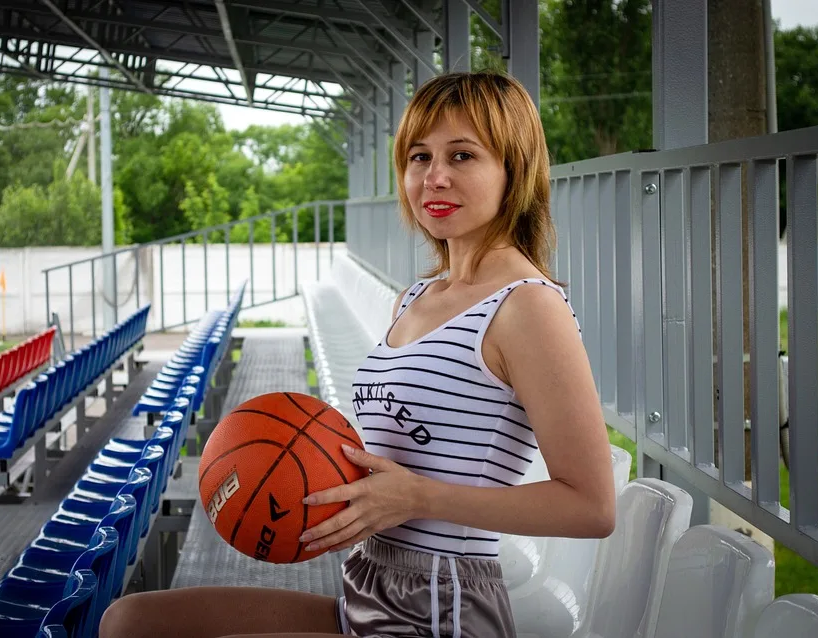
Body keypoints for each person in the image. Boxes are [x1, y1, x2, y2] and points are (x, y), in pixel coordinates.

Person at [98, 71, 616, 638]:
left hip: (445, 605)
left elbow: (591, 505)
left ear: (513, 170)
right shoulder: (414, 299)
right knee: (132, 621)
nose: (434, 177)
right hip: (367, 585)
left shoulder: (527, 307)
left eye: (463, 156)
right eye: (419, 157)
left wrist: (419, 498)